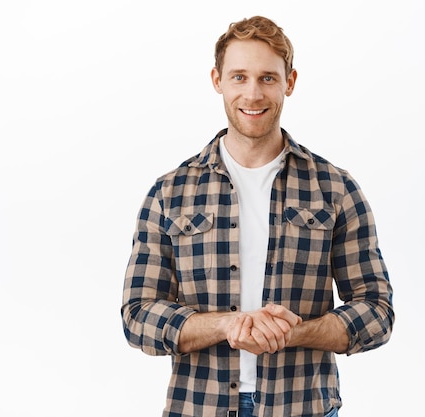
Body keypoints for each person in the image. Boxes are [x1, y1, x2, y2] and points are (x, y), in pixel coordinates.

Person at [121, 15, 394, 417]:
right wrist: (226, 325)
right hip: (199, 407)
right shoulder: (169, 193)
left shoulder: (335, 188)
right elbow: (137, 315)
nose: (253, 94)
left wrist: (293, 332)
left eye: (268, 78)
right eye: (239, 77)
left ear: (290, 82)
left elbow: (377, 311)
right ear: (217, 80)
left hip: (303, 407)